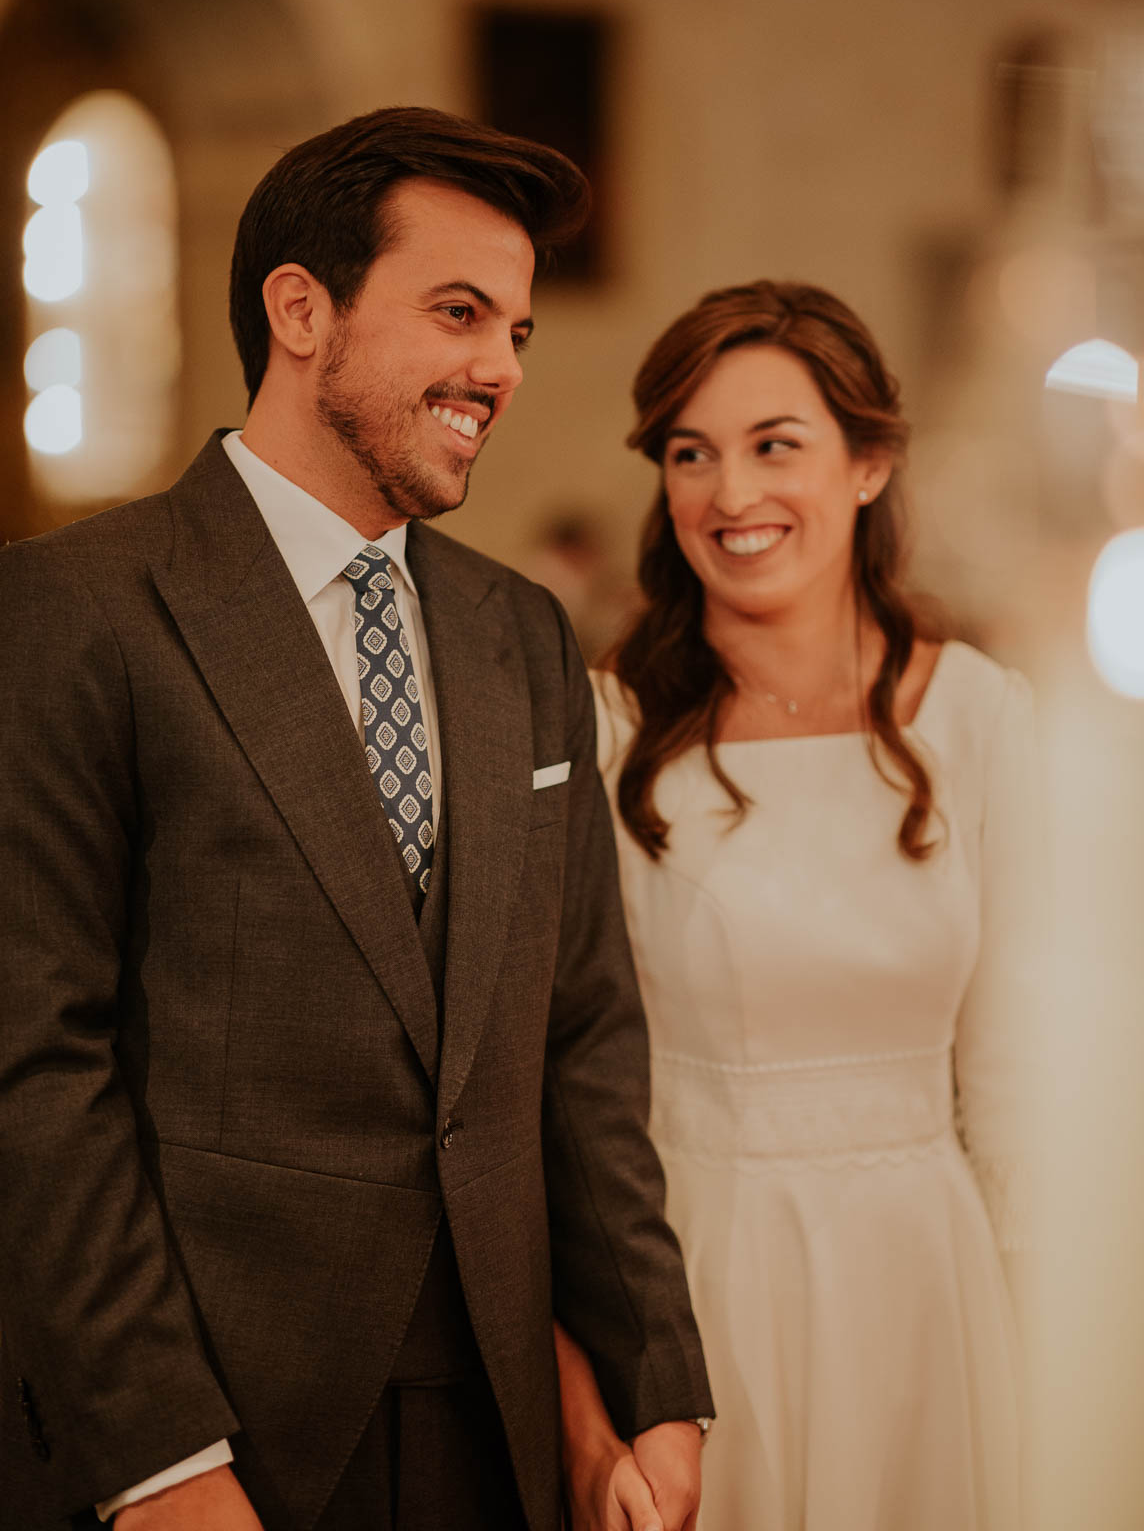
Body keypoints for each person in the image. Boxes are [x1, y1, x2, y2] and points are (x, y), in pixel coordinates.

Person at [0, 107, 713, 1531]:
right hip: (209, 1428)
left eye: (514, 329)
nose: (498, 368)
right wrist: (157, 1457)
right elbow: (35, 1064)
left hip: (489, 1431)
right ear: (301, 310)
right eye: (458, 313)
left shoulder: (520, 634)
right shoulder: (77, 611)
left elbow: (582, 1037)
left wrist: (656, 1384)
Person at [584, 280, 1037, 1529]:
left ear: (870, 462)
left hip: (931, 1280)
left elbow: (1013, 1081)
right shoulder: (610, 729)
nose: (730, 497)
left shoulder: (982, 717)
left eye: (775, 444)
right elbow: (571, 1087)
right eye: (691, 454)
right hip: (705, 1277)